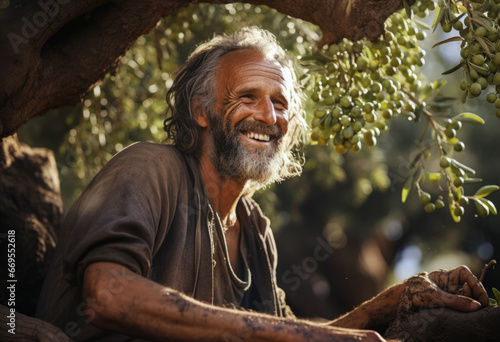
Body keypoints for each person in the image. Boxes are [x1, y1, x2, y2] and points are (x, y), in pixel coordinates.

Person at [35, 27, 489, 342]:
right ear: (200, 111)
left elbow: (290, 333)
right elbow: (108, 295)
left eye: (279, 103)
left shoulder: (253, 227)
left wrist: (397, 297)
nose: (268, 117)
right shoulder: (150, 168)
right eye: (247, 97)